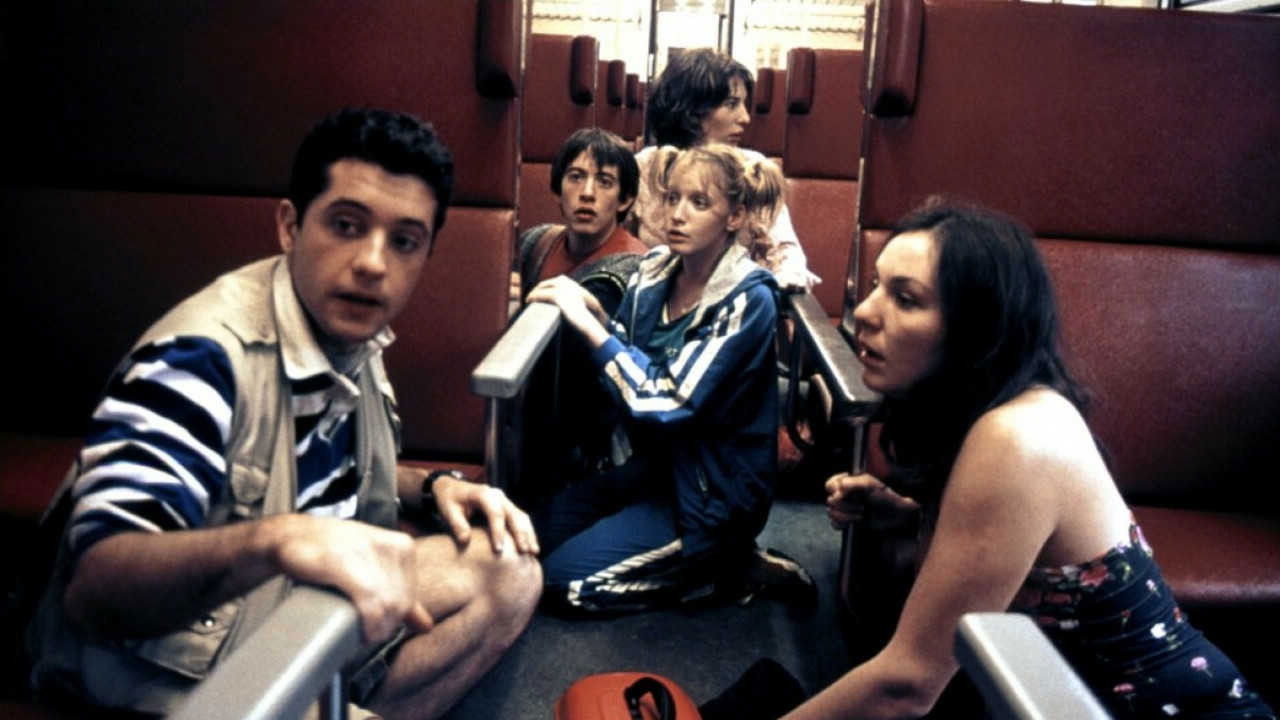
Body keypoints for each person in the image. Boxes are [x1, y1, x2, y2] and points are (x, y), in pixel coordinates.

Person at [27, 108, 542, 720]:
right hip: (172, 672)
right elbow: (95, 590)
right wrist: (275, 541)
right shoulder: (199, 361)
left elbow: (311, 466)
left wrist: (433, 487)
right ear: (290, 227)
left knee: (510, 569)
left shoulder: (348, 332)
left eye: (404, 241)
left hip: (291, 612)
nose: (373, 263)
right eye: (346, 226)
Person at [781, 200, 1274, 719]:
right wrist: (903, 516)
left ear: (977, 326)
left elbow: (906, 686)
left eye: (905, 299)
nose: (864, 312)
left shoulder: (1017, 436)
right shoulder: (980, 413)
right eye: (876, 285)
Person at [525, 143, 808, 613]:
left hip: (710, 496)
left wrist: (592, 329)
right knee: (529, 544)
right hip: (655, 470)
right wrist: (600, 315)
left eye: (699, 203)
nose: (677, 214)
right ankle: (701, 558)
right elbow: (631, 353)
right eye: (673, 198)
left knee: (557, 585)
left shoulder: (748, 299)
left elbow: (667, 400)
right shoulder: (655, 271)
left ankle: (726, 564)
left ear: (734, 217)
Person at [507, 128, 649, 505]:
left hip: (590, 440)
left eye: (604, 182)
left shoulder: (630, 267)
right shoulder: (538, 241)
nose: (587, 193)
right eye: (575, 177)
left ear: (625, 199)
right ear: (557, 189)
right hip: (530, 413)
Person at [633, 48, 818, 292]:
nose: (745, 118)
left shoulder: (750, 168)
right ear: (692, 110)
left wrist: (781, 285)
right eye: (731, 104)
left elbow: (786, 253)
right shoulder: (644, 167)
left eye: (744, 105)